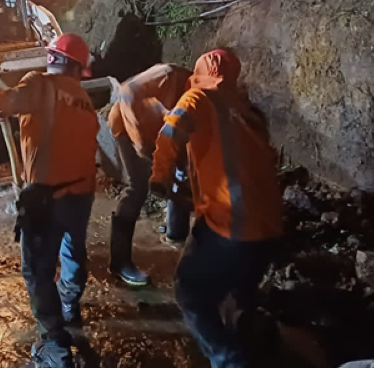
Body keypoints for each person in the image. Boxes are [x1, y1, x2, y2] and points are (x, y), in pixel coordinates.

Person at [150, 49, 283, 368]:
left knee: (190, 290)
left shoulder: (196, 98)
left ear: (198, 74)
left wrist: (159, 176)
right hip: (270, 227)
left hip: (232, 223)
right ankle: (249, 345)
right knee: (240, 295)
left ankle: (230, 360)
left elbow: (170, 134)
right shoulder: (248, 110)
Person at [0, 33, 99, 368]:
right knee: (72, 247)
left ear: (51, 58)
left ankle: (55, 347)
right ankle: (70, 305)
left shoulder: (39, 83)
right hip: (82, 193)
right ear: (80, 69)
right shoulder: (84, 99)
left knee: (37, 271)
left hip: (45, 200)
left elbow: (1, 103)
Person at [106, 63, 193, 286]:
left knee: (183, 169)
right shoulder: (169, 75)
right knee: (138, 188)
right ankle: (120, 262)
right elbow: (127, 92)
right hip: (128, 129)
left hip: (160, 134)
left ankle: (175, 232)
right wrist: (141, 144)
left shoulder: (201, 98)